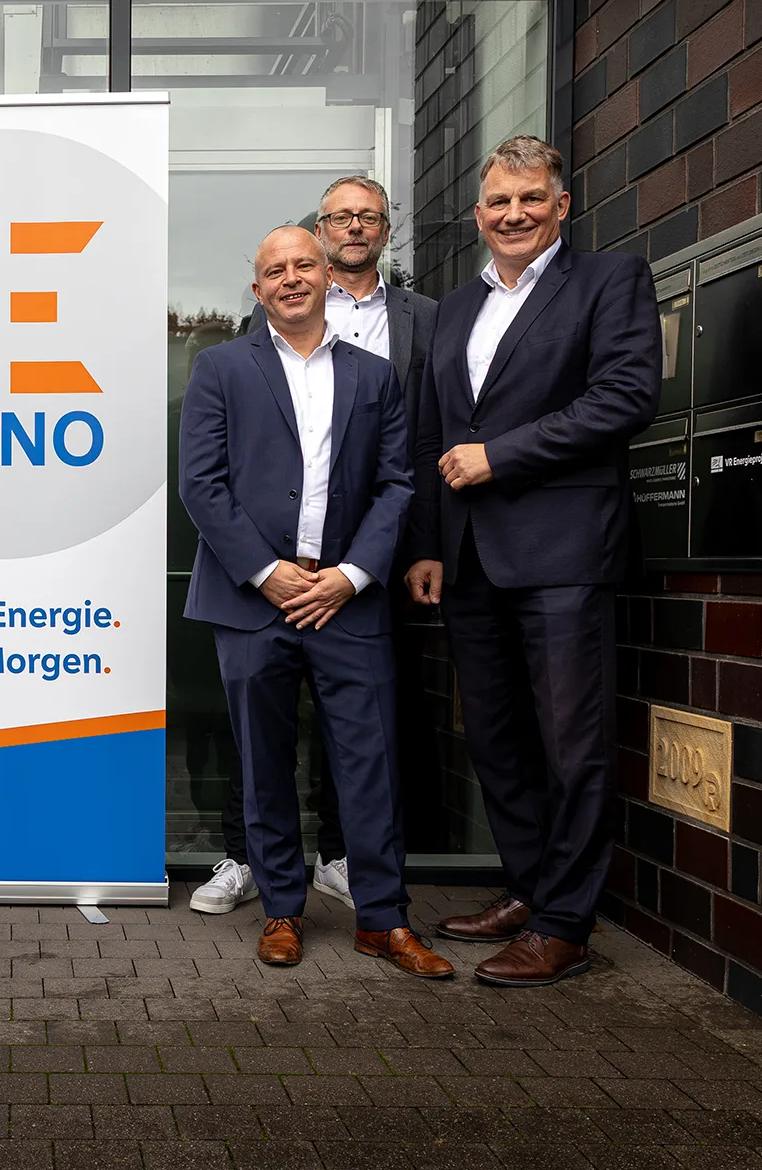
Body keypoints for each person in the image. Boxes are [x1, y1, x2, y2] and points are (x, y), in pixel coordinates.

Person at [405, 136, 661, 987]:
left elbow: (626, 397)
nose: (514, 215)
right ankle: (528, 889)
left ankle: (564, 925)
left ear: (561, 205)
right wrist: (429, 544)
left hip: (563, 553)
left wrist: (501, 456)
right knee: (496, 740)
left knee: (571, 744)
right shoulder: (455, 308)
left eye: (530, 199)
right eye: (499, 202)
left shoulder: (609, 281)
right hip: (471, 559)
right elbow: (435, 436)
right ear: (479, 214)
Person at [179, 226, 449, 980]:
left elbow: (397, 483)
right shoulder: (219, 368)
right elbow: (201, 484)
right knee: (263, 765)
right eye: (275, 270)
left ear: (328, 276)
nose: (290, 278)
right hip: (253, 601)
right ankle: (281, 911)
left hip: (346, 601)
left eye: (304, 264)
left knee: (370, 765)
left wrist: (353, 574)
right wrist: (264, 571)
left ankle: (384, 921)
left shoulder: (374, 374)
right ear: (257, 288)